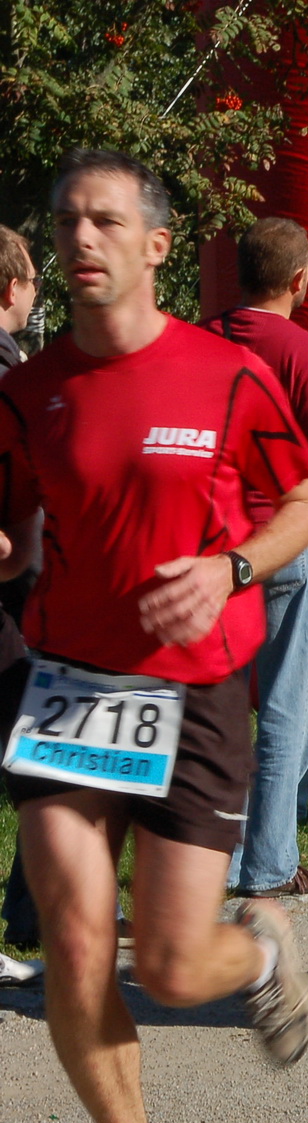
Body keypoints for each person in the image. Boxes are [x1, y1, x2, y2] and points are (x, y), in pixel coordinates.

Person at [0, 148, 308, 1123]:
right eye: (66, 220)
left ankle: (261, 949)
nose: (81, 238)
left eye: (104, 220)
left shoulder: (227, 373)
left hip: (195, 689)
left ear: (156, 245)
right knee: (73, 941)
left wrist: (231, 567)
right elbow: (12, 533)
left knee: (174, 968)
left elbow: (306, 503)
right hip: (68, 687)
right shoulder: (30, 391)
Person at [202, 216, 308, 898]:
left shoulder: (198, 341)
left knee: (215, 714)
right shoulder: (304, 352)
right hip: (284, 545)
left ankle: (212, 859)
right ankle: (267, 860)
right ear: (300, 278)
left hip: (211, 546)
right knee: (287, 712)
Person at [0, 223, 43, 984]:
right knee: (43, 759)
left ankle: (35, 908)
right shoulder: (9, 374)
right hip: (11, 599)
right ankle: (39, 908)